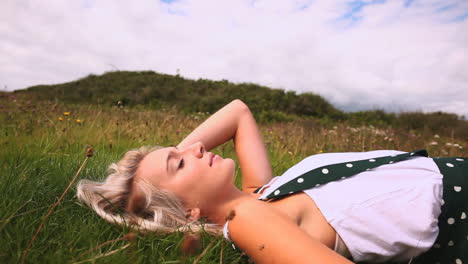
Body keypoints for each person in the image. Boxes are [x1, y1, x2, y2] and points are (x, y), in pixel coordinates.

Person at [77, 99, 467, 264]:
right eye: (180, 163)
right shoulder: (247, 221)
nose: (196, 148)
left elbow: (238, 112)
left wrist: (167, 167)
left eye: (182, 150)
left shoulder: (257, 195)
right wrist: (165, 184)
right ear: (188, 210)